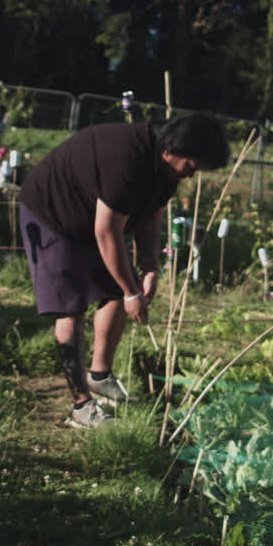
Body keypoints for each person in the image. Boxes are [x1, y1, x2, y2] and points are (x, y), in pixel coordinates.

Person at [19, 113, 229, 428]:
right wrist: (132, 292)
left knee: (118, 288)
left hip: (92, 217)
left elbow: (151, 218)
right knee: (71, 308)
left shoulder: (164, 170)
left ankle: (99, 376)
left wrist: (150, 268)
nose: (191, 174)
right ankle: (81, 408)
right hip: (53, 214)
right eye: (193, 165)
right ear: (172, 150)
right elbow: (107, 232)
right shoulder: (126, 161)